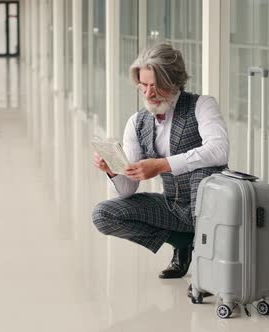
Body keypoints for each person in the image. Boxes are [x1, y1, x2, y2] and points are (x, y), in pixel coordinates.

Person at [91, 43, 230, 280]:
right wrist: (113, 171)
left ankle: (208, 267)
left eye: (155, 86)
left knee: (203, 172)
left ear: (174, 81)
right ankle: (184, 241)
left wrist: (162, 165)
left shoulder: (202, 105)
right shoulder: (137, 123)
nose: (148, 94)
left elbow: (219, 151)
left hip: (210, 207)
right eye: (143, 86)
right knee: (103, 215)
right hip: (173, 206)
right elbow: (127, 190)